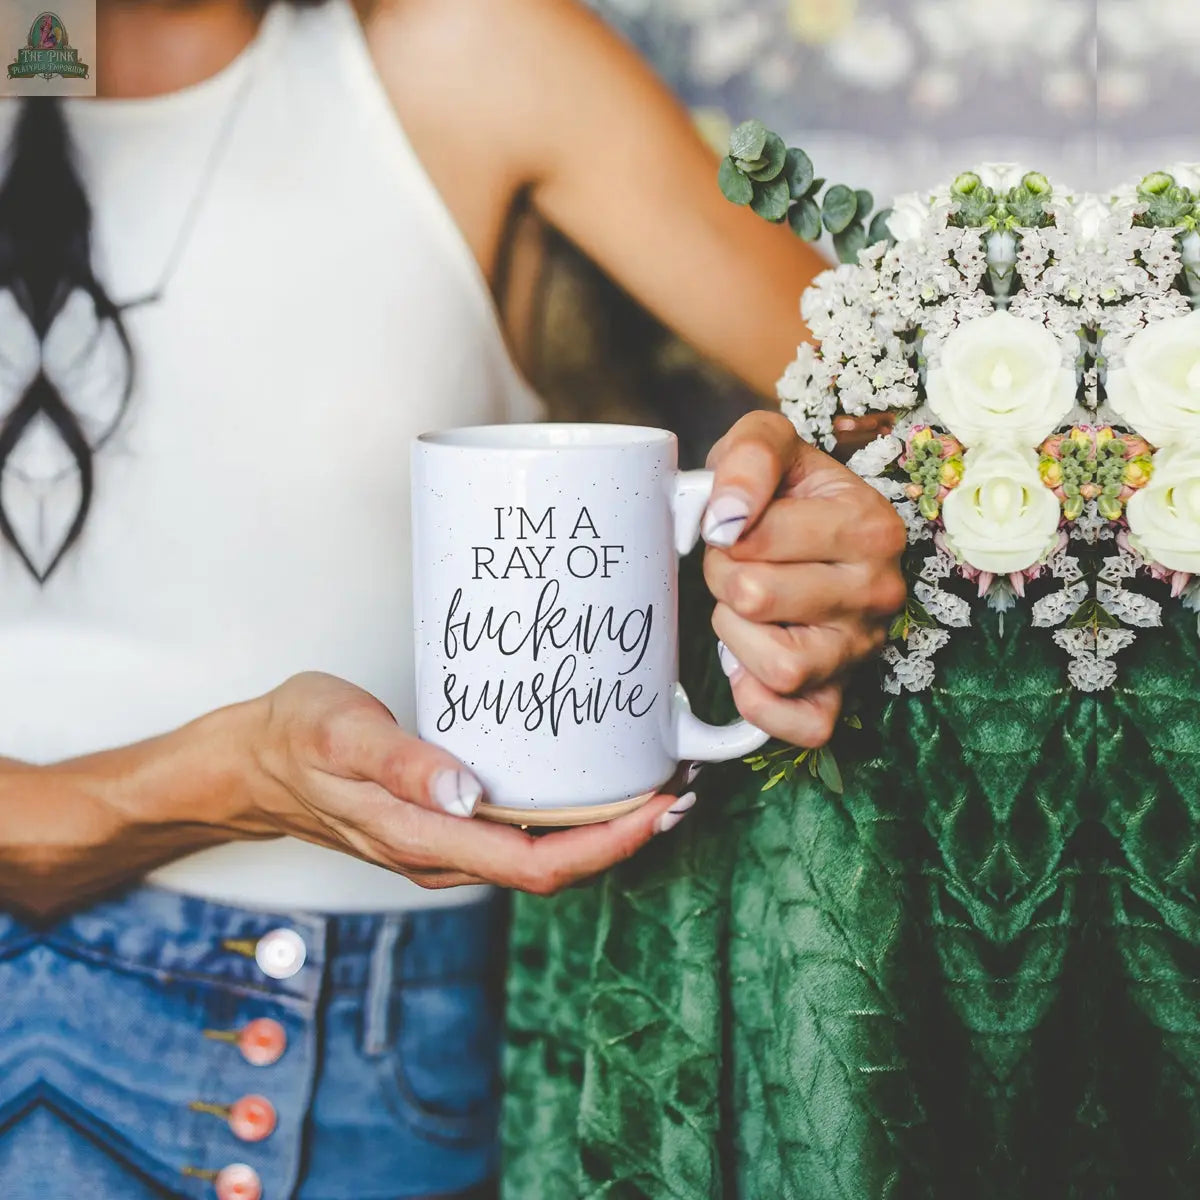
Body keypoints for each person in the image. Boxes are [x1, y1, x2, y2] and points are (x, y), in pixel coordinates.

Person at [0, 0, 905, 1196]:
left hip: (301, 1054)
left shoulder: (469, 52)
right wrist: (228, 775)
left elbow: (911, 426)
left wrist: (829, 531)